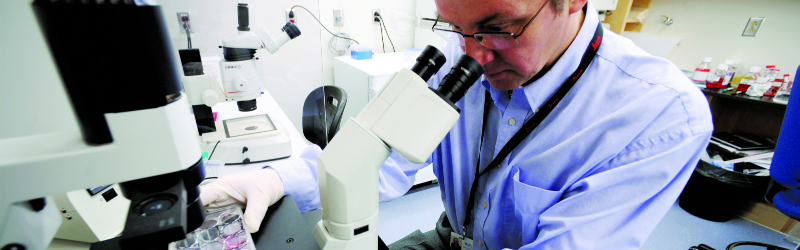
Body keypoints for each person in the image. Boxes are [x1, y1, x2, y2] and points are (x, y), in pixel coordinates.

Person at [200, 0, 713, 249]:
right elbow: (376, 163)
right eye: (456, 27)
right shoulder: (456, 55)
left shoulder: (659, 114)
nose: (472, 54)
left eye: (498, 29)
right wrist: (273, 179)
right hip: (448, 240)